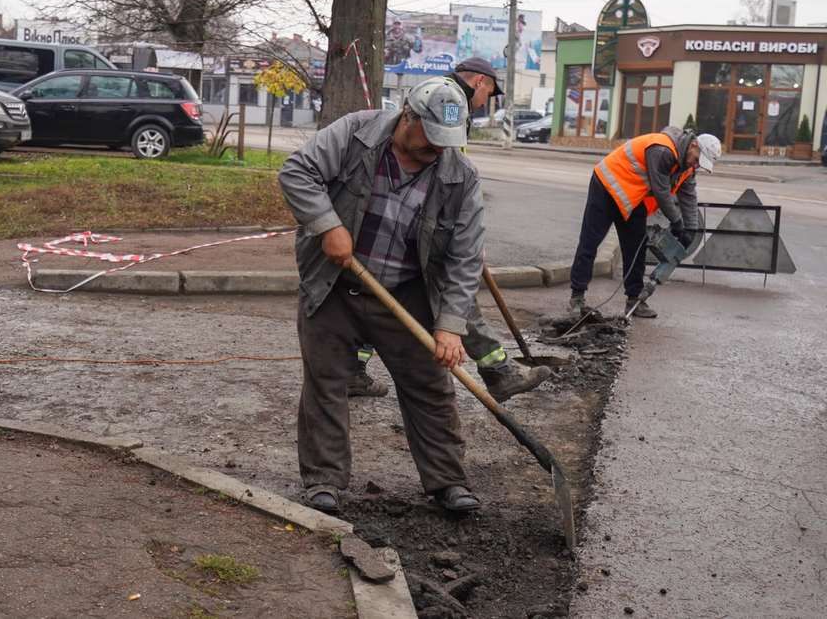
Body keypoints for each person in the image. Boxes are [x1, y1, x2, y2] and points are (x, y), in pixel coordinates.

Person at [279, 77, 485, 514]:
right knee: (327, 383)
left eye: (448, 141)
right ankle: (324, 483)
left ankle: (448, 481)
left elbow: (465, 259)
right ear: (407, 117)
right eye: (431, 137)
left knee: (430, 386)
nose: (439, 149)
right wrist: (328, 224)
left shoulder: (459, 176)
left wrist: (449, 327)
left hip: (406, 290)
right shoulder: (357, 134)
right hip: (335, 284)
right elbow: (297, 171)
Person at [347, 57, 551, 402]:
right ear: (481, 83)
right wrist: (457, 233)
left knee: (379, 290)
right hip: (425, 225)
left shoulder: (442, 99)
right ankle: (499, 372)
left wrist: (466, 233)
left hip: (425, 221)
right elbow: (443, 168)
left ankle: (353, 370)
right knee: (452, 296)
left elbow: (454, 168)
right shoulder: (449, 103)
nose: (488, 101)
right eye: (490, 93)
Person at [568, 127, 722, 318]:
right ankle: (577, 298)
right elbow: (661, 192)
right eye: (697, 159)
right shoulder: (662, 150)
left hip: (632, 196)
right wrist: (677, 222)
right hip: (606, 187)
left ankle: (634, 300)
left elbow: (689, 196)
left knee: (635, 248)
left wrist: (690, 229)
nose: (696, 165)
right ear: (693, 145)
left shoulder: (688, 167)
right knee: (590, 243)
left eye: (700, 164)